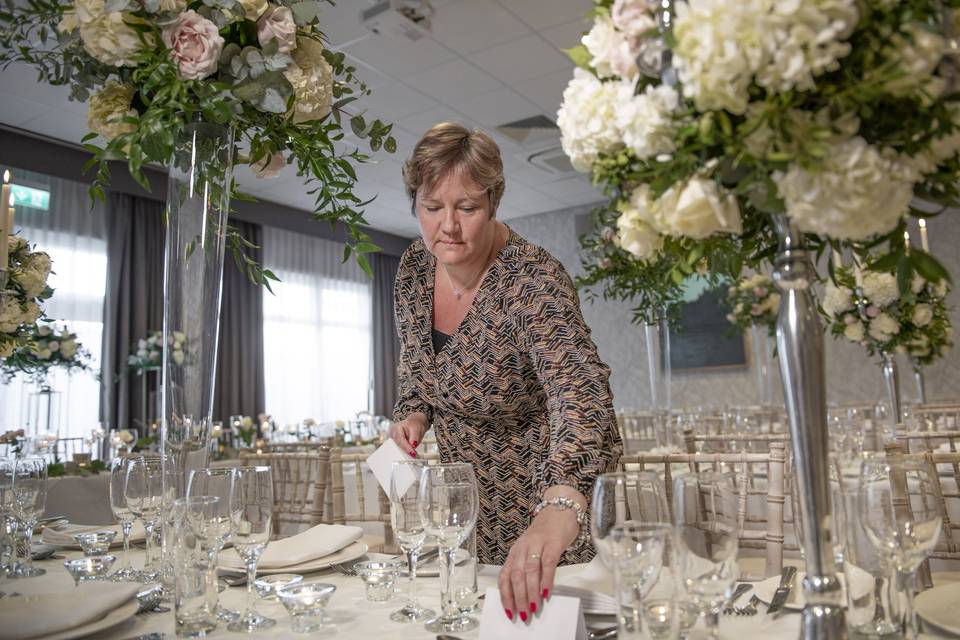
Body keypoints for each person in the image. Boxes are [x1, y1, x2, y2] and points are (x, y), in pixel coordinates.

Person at [389, 122, 622, 624]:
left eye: (467, 208)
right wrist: (412, 413)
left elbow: (577, 389)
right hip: (468, 505)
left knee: (548, 623)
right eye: (432, 208)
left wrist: (562, 504)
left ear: (494, 202)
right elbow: (416, 365)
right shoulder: (412, 269)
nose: (447, 225)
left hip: (550, 498)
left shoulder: (532, 279)